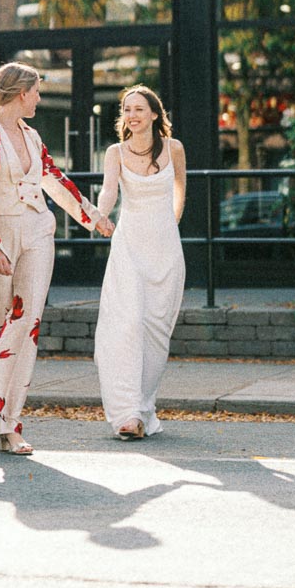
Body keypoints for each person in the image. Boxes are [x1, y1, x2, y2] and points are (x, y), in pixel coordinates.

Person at [0, 61, 114, 455]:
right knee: (0, 326)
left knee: (26, 324)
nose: (39, 97)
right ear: (22, 92)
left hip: (37, 230)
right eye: (36, 91)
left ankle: (9, 422)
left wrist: (95, 219)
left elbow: (55, 179)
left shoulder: (33, 137)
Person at [94, 84, 186, 440]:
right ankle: (127, 414)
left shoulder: (174, 148)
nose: (131, 115)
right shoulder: (115, 152)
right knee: (128, 323)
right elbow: (108, 192)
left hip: (164, 248)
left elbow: (180, 189)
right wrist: (99, 217)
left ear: (153, 114)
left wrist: (170, 225)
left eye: (138, 109)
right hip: (129, 247)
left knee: (156, 331)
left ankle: (144, 410)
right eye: (127, 110)